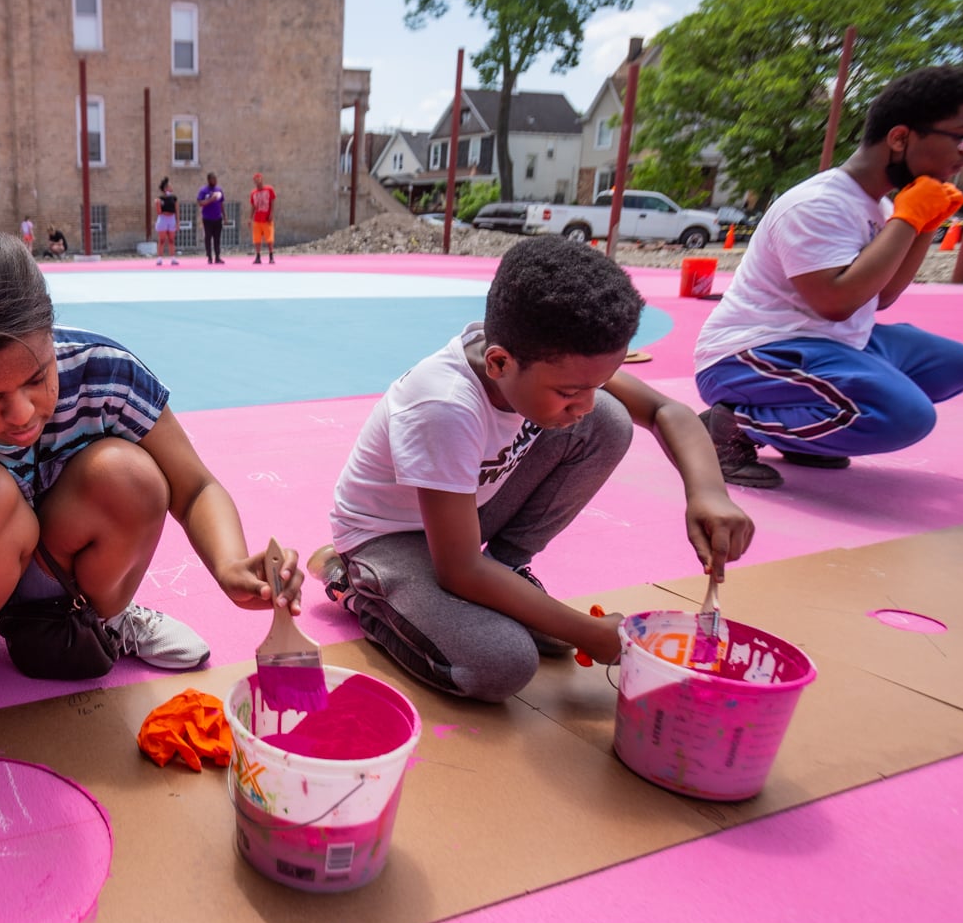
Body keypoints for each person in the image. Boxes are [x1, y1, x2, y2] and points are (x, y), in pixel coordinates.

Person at [0, 233, 303, 797]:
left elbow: (193, 488)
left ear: (50, 335)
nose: (22, 414)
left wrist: (227, 564)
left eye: (36, 377)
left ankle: (105, 615)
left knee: (134, 475)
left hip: (54, 559)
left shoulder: (104, 372)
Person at [309, 237, 754, 703]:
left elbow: (666, 410)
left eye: (596, 384)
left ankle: (505, 566)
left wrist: (709, 493)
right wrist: (592, 634)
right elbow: (459, 569)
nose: (581, 403)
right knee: (501, 663)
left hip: (464, 513)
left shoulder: (545, 356)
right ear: (499, 362)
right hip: (390, 536)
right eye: (568, 393)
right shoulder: (443, 405)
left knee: (608, 419)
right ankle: (357, 585)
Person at [694, 64, 963, 488]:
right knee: (906, 416)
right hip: (753, 354)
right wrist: (910, 217)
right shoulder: (817, 203)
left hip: (832, 343)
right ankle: (729, 427)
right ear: (900, 137)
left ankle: (808, 436)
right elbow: (835, 302)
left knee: (958, 365)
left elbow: (881, 297)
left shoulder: (880, 207)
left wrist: (923, 224)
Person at [198, 173, 225, 264]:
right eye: (213, 179)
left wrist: (224, 216)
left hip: (218, 218)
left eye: (216, 179)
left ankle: (217, 257)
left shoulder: (219, 190)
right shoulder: (203, 190)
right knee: (208, 237)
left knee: (217, 238)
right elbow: (200, 203)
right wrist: (210, 200)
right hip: (207, 218)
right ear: (209, 180)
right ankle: (209, 256)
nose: (215, 181)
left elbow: (221, 203)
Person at [249, 173, 276, 264]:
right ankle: (258, 256)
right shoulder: (253, 193)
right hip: (257, 219)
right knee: (257, 239)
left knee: (269, 239)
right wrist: (250, 218)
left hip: (266, 219)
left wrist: (271, 213)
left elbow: (272, 201)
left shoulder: (269, 189)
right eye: (255, 180)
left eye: (258, 179)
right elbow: (253, 206)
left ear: (262, 179)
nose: (257, 181)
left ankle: (271, 256)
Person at [155, 178, 179, 265]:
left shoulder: (174, 198)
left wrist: (177, 222)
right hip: (163, 219)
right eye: (169, 185)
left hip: (171, 218)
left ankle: (173, 258)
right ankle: (159, 259)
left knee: (171, 240)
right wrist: (158, 204)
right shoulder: (159, 199)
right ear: (165, 188)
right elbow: (159, 212)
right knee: (161, 240)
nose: (171, 186)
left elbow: (176, 210)